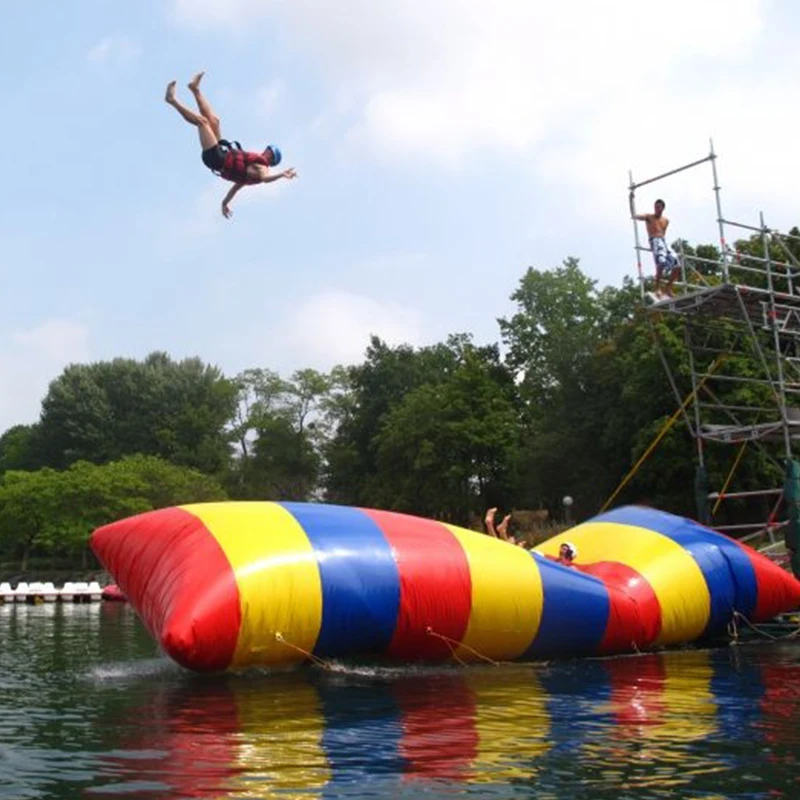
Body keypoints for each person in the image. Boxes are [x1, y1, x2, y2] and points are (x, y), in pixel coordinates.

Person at [165, 72, 297, 219]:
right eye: (267, 150)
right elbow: (234, 190)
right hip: (223, 153)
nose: (265, 152)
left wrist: (282, 175)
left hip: (216, 159)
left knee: (202, 122)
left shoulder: (263, 169)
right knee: (215, 121)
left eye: (269, 153)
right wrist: (224, 203)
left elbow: (265, 179)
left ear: (271, 159)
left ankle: (172, 100)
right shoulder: (250, 173)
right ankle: (195, 89)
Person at [630, 196, 680, 298]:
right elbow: (634, 215)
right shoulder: (649, 217)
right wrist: (631, 200)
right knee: (661, 263)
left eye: (658, 207)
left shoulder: (666, 220)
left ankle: (668, 288)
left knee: (677, 264)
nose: (656, 209)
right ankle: (657, 288)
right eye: (655, 207)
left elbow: (663, 233)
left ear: (662, 208)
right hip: (655, 240)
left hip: (663, 241)